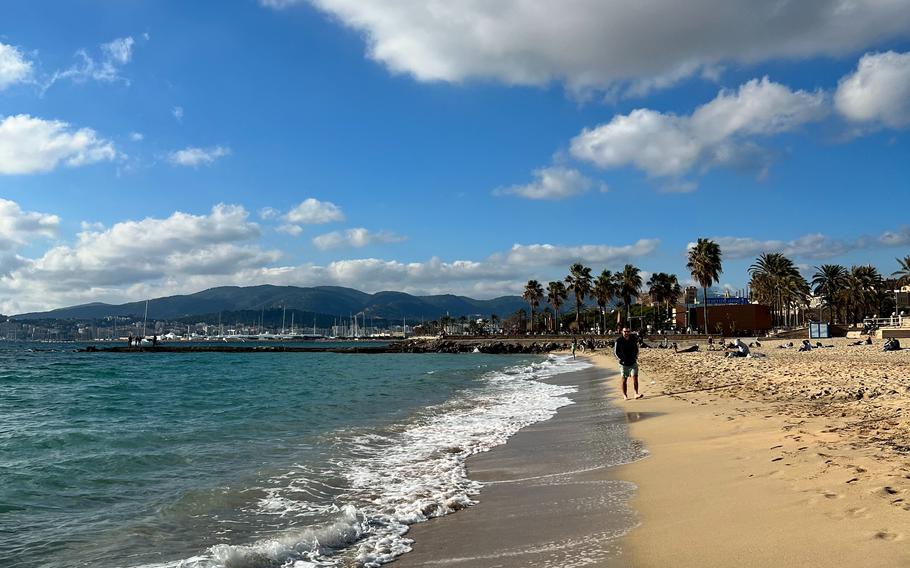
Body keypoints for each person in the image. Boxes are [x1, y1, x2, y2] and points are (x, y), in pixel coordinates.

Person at [614, 327, 642, 400]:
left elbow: (637, 349)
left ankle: (636, 393)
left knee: (635, 378)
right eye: (625, 331)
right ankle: (625, 395)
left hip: (633, 362)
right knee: (624, 379)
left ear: (630, 332)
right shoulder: (619, 340)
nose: (626, 333)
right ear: (622, 332)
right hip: (623, 363)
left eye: (628, 331)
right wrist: (621, 359)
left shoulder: (633, 339)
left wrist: (636, 356)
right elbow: (615, 352)